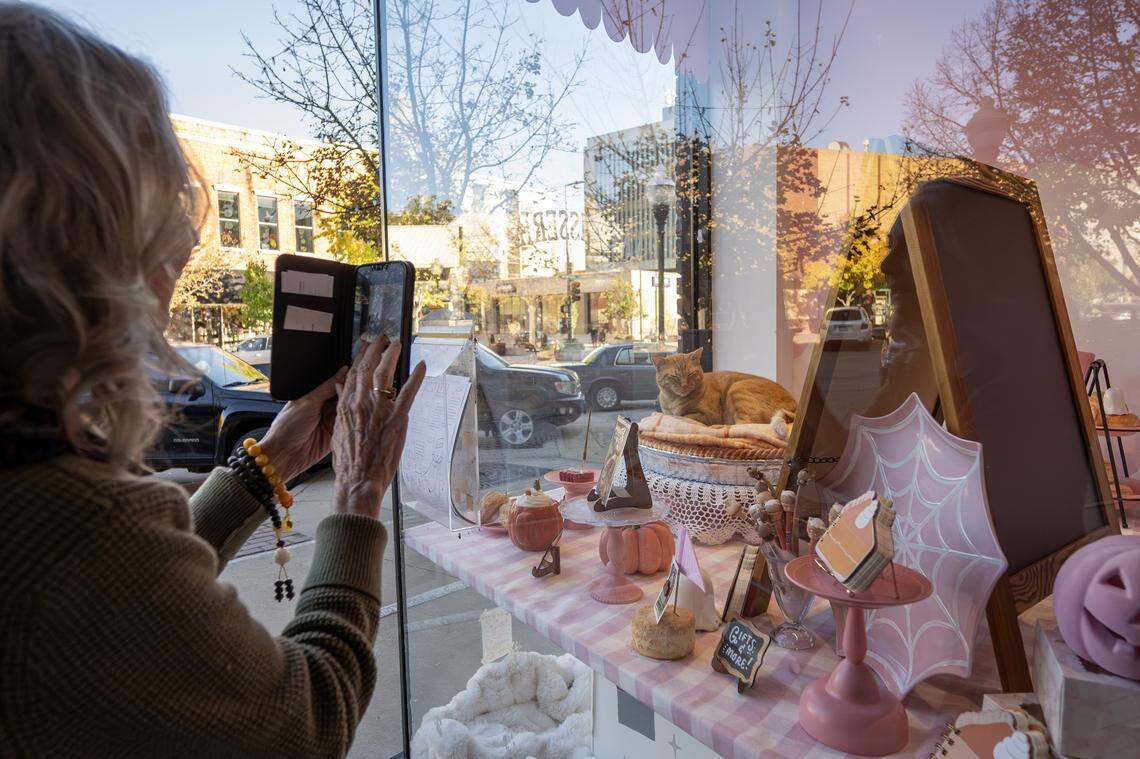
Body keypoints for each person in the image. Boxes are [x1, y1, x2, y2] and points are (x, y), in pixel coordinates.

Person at [0, 5, 426, 757]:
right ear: (90, 253)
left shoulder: (44, 503)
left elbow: (121, 611)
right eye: (163, 236)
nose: (179, 265)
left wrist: (268, 464)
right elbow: (306, 720)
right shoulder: (76, 532)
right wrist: (358, 497)